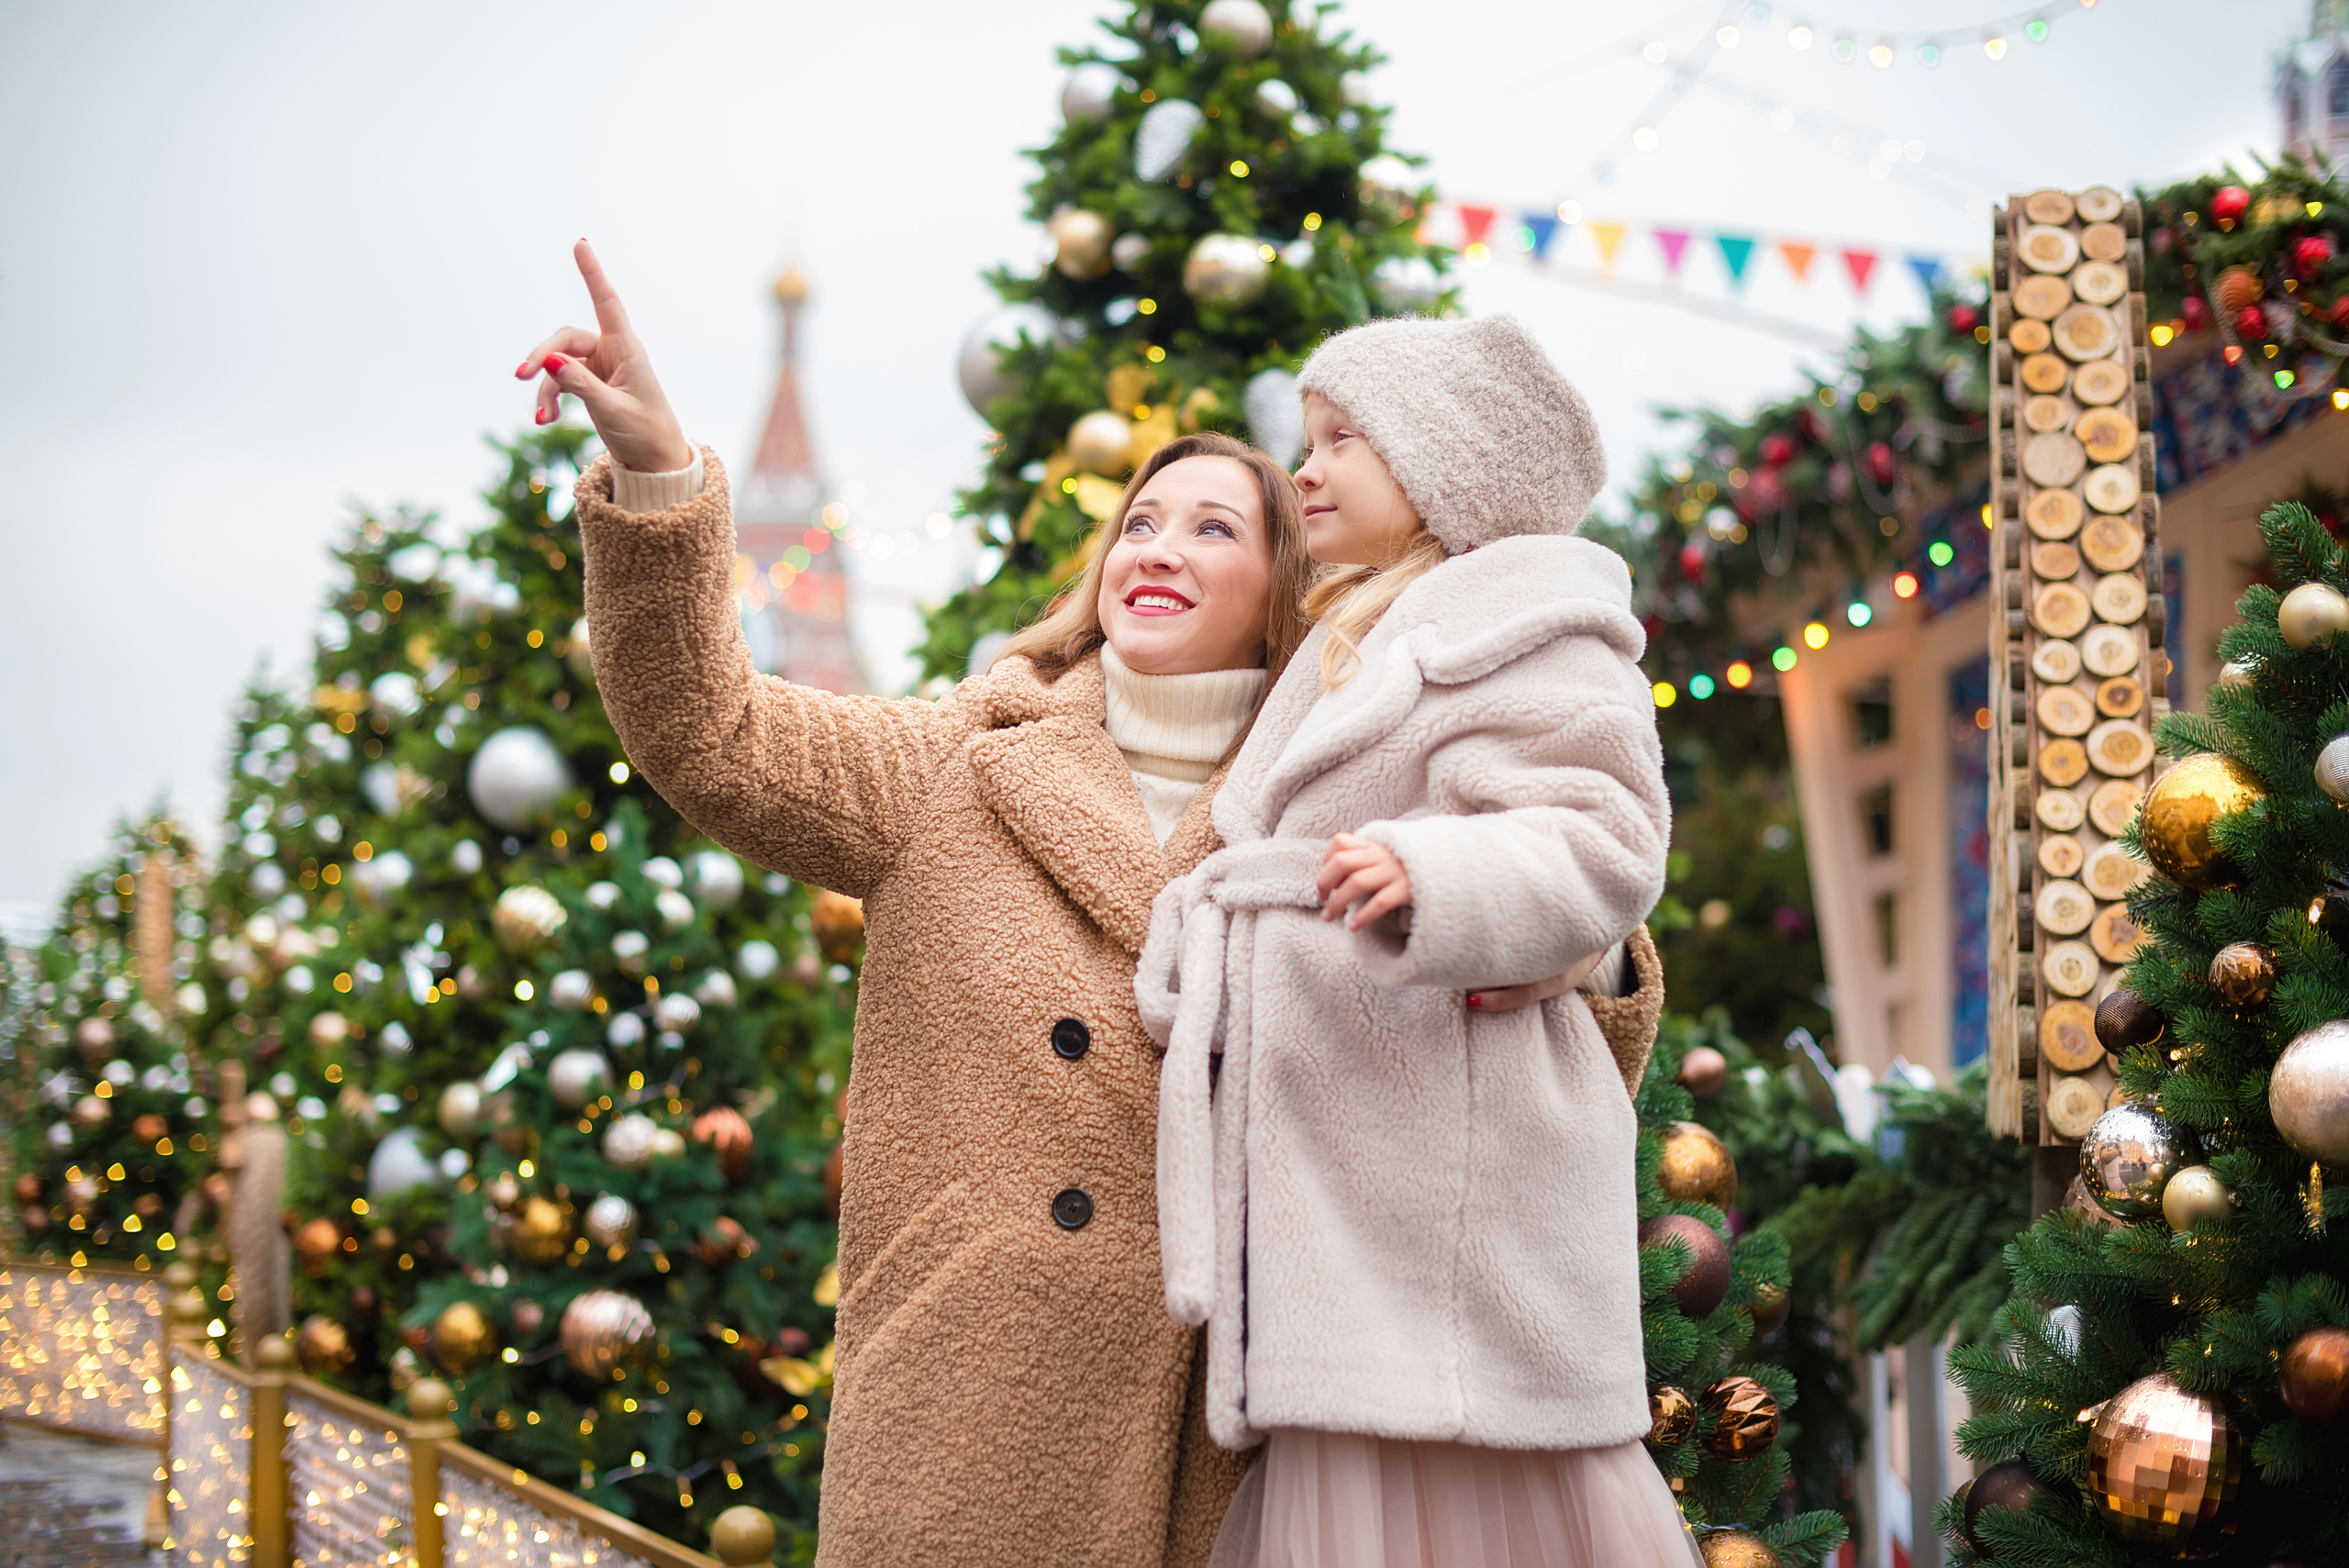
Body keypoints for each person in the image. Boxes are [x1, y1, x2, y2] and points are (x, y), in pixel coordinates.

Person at [517, 243, 1664, 1567]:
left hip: (1232, 1433)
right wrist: (660, 471)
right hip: (970, 1407)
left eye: (1213, 526)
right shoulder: (955, 760)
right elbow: (709, 732)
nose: (1159, 547)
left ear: (1286, 584)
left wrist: (1569, 944)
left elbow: (1543, 1019)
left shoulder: (1338, 789)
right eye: (1141, 521)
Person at [1142, 314, 1697, 1568]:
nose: (1308, 469)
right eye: (1307, 438)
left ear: (1450, 465)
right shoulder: (1358, 633)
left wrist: (1436, 875)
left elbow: (1603, 838)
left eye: (1345, 439)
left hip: (1450, 1214)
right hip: (1347, 1196)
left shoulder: (1535, 627)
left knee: (1443, 1514)